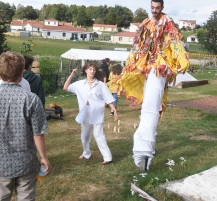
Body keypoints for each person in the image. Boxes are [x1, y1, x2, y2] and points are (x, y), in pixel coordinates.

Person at [119, 0, 189, 171]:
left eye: (157, 8)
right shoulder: (146, 24)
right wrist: (130, 64)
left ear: (162, 8)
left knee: (152, 108)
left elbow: (176, 44)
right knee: (148, 110)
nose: (155, 11)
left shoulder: (168, 24)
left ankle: (144, 153)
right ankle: (143, 153)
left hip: (160, 68)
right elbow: (137, 46)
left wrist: (182, 61)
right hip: (146, 68)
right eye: (152, 8)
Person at [0, 51, 51, 200]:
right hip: (26, 161)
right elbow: (37, 133)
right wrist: (44, 157)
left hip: (1, 163)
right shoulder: (32, 99)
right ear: (22, 73)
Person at [63, 63, 118, 165]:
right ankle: (86, 153)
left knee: (98, 134)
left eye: (94, 69)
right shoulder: (79, 84)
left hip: (97, 112)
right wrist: (72, 75)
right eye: (90, 69)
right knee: (85, 135)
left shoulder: (100, 84)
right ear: (86, 71)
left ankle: (107, 157)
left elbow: (108, 97)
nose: (92, 71)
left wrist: (114, 110)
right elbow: (65, 87)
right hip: (85, 112)